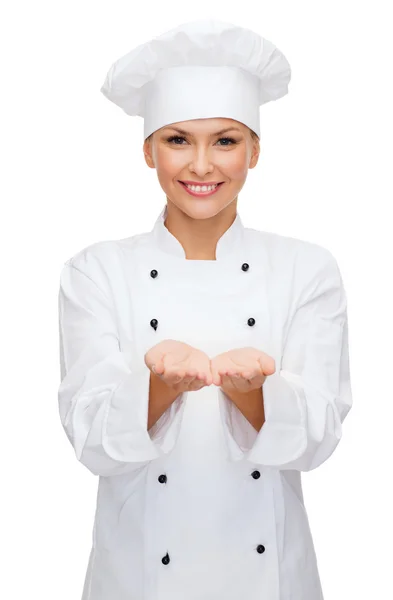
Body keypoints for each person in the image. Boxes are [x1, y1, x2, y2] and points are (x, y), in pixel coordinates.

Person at [57, 19, 353, 600]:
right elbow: (89, 439)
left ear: (255, 151)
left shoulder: (307, 270)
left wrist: (252, 394)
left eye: (225, 140)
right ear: (147, 150)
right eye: (177, 140)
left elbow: (321, 437)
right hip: (139, 581)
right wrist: (160, 387)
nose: (201, 166)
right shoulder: (95, 272)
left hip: (270, 582)